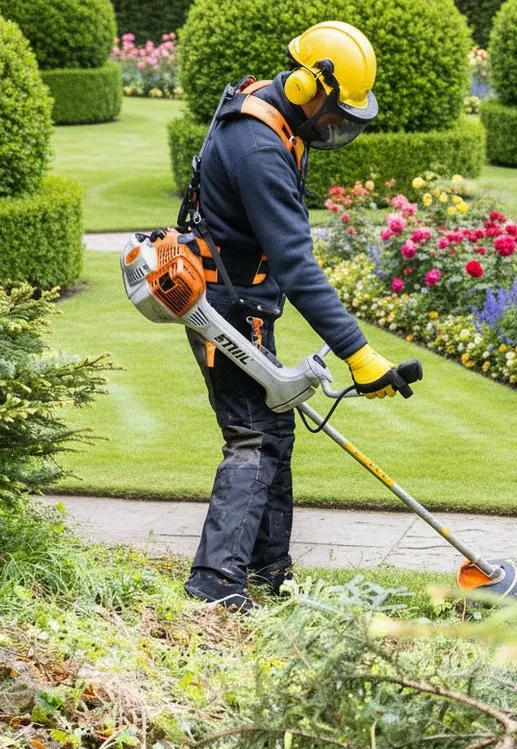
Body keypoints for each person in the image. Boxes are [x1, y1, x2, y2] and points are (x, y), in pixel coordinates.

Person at [183, 21, 403, 612]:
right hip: (226, 307)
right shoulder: (258, 148)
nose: (337, 126)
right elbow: (298, 266)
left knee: (274, 426)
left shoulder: (268, 109)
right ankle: (215, 583)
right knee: (253, 434)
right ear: (308, 87)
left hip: (239, 299)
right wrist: (360, 355)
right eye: (336, 113)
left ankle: (267, 568)